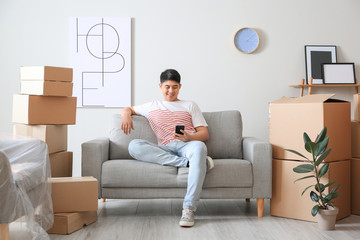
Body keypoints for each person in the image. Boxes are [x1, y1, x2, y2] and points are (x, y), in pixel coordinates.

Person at [120, 69, 214, 227]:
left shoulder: (190, 105)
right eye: (167, 86)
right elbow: (127, 109)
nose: (171, 91)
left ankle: (189, 208)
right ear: (160, 86)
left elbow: (204, 134)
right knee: (134, 146)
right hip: (165, 148)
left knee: (199, 147)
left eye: (175, 87)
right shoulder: (152, 106)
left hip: (187, 145)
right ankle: (189, 163)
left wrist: (189, 137)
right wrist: (126, 115)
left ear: (180, 87)